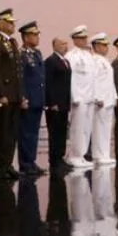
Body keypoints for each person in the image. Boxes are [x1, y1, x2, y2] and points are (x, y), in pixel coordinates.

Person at [0, 9, 23, 181]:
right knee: (2, 132)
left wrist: (21, 95)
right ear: (0, 23)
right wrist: (0, 93)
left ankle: (8, 163)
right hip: (5, 95)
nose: (13, 25)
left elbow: (18, 72)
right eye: (9, 22)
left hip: (15, 94)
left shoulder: (12, 42)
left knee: (11, 132)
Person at [63, 27, 97, 170]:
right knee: (77, 128)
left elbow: (93, 78)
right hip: (79, 97)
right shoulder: (71, 56)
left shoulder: (88, 56)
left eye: (85, 38)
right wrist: (74, 96)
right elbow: (70, 78)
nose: (85, 40)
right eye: (82, 38)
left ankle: (81, 155)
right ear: (75, 39)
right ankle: (74, 155)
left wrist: (94, 95)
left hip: (89, 96)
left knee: (87, 128)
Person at [18, 21, 47, 176]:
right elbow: (21, 78)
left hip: (37, 99)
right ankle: (25, 164)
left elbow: (41, 78)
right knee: (26, 133)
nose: (37, 37)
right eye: (34, 35)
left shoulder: (37, 54)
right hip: (28, 100)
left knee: (34, 133)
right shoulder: (21, 54)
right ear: (26, 37)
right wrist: (22, 97)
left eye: (37, 34)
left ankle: (32, 161)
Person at [88, 33, 117, 166]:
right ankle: (98, 155)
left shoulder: (105, 61)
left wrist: (114, 96)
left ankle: (105, 154)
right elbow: (93, 82)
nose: (106, 48)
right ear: (97, 46)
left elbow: (109, 82)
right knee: (99, 129)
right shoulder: (94, 61)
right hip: (101, 100)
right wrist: (97, 97)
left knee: (106, 129)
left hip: (108, 100)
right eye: (104, 45)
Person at [43, 36, 71, 170]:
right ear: (54, 46)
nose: (64, 46)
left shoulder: (65, 61)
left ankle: (60, 157)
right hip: (55, 104)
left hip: (64, 103)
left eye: (65, 44)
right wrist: (51, 102)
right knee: (55, 132)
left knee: (62, 132)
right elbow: (48, 83)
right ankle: (54, 160)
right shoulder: (50, 61)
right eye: (61, 44)